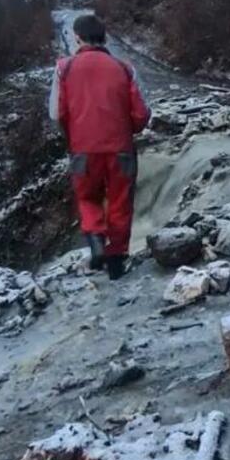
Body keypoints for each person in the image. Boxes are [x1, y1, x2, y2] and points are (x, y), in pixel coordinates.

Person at [49, 14, 150, 280]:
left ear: (77, 37)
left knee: (87, 197)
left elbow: (55, 113)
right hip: (121, 149)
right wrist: (130, 130)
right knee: (120, 202)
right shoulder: (125, 68)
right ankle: (116, 261)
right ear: (105, 38)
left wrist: (72, 134)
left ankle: (95, 238)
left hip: (83, 148)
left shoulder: (64, 68)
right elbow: (141, 114)